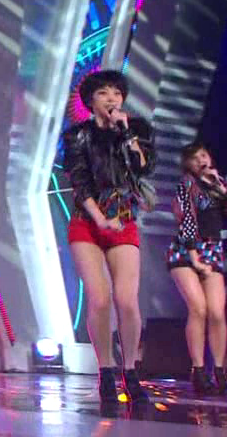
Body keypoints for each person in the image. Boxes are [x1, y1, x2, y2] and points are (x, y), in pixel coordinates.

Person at [62, 70, 156, 403]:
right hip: (87, 222)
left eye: (116, 92)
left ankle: (130, 370)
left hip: (124, 220)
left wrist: (127, 135)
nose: (111, 98)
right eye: (103, 92)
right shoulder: (77, 136)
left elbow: (144, 169)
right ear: (91, 101)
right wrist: (100, 219)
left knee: (127, 300)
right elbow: (80, 181)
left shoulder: (136, 130)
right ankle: (105, 371)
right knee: (99, 298)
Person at [167, 141, 227, 395]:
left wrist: (222, 188)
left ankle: (220, 372)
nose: (201, 160)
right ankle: (199, 370)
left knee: (216, 312)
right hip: (185, 250)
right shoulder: (186, 185)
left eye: (203, 155)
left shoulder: (221, 184)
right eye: (194, 158)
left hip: (212, 251)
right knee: (198, 308)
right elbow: (186, 220)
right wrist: (194, 257)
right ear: (188, 164)